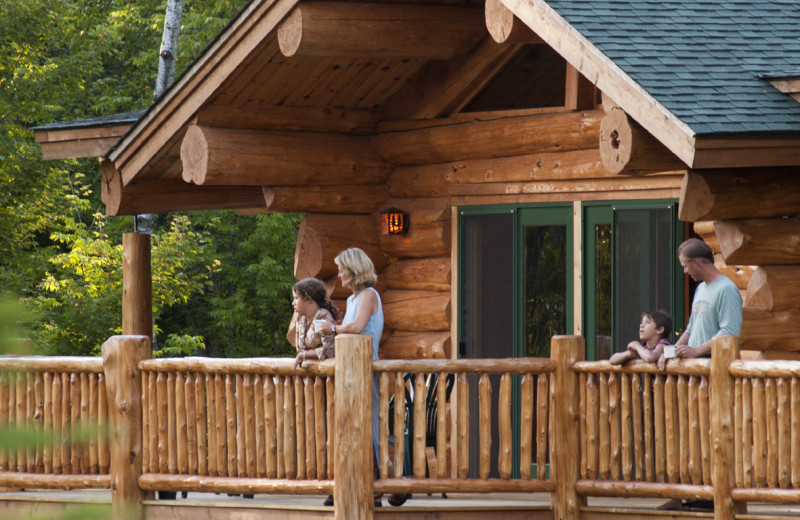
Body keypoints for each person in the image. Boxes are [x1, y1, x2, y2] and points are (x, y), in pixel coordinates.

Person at [317, 247, 409, 508]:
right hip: (350, 372)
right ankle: (373, 486)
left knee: (373, 432)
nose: (339, 273)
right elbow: (347, 332)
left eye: (342, 268)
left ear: (354, 270)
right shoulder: (351, 299)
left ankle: (395, 482)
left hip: (367, 369)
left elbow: (356, 328)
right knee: (355, 429)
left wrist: (332, 327)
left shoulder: (369, 295)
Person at [657, 238, 743, 512]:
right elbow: (692, 329)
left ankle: (714, 496)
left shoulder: (726, 289)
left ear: (696, 263)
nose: (684, 272)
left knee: (714, 433)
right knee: (695, 433)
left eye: (684, 266)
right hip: (695, 375)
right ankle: (694, 493)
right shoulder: (701, 290)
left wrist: (696, 352)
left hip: (715, 371)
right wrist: (674, 349)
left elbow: (729, 333)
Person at [291, 278, 339, 374]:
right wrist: (306, 354)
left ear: (308, 299)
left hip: (326, 376)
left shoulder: (321, 317)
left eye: (296, 298)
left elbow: (329, 351)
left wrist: (303, 355)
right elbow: (300, 349)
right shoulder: (301, 319)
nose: (293, 303)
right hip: (310, 375)